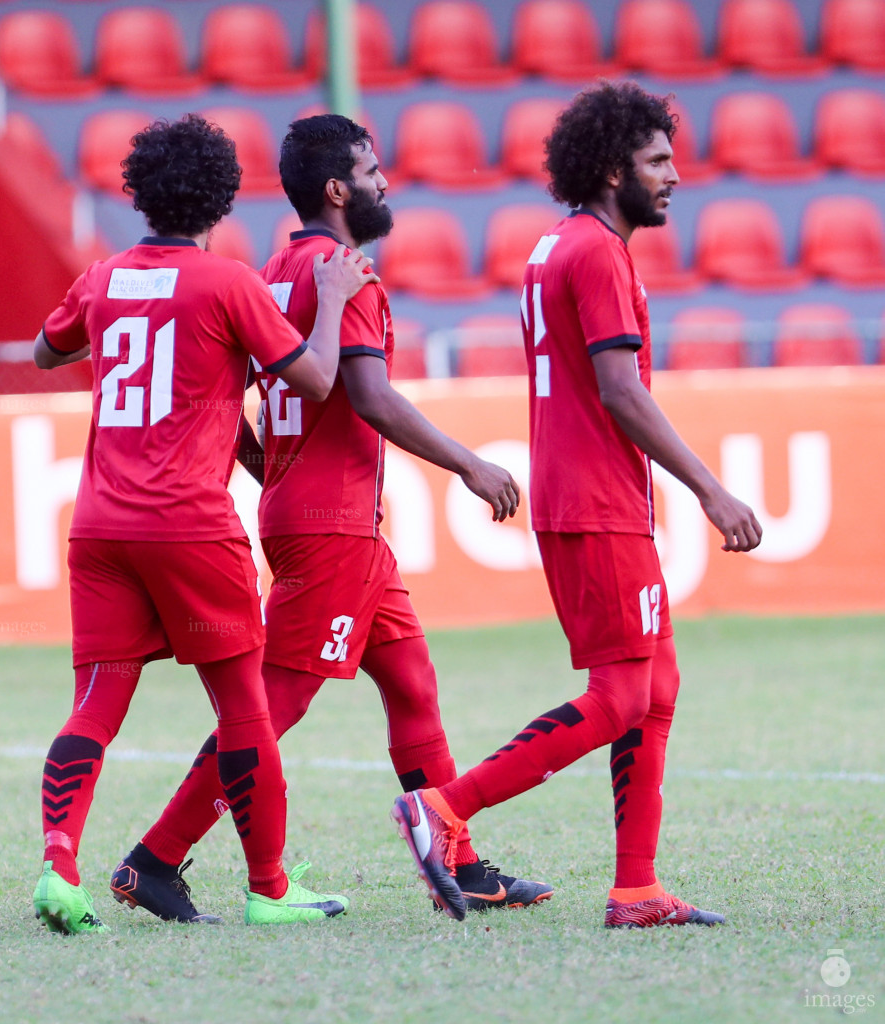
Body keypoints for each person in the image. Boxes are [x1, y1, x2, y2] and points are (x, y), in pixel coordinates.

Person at [111, 114, 553, 924]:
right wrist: (469, 463)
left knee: (413, 685)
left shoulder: (271, 270)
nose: (385, 181)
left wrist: (266, 471)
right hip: (330, 523)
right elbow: (368, 395)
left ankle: (460, 858)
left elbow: (230, 395)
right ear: (337, 188)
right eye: (372, 168)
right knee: (269, 709)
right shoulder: (341, 271)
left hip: (324, 516)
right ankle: (155, 857)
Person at [391, 82, 762, 927]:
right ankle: (443, 808)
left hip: (588, 494)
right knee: (620, 697)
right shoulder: (596, 253)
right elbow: (620, 392)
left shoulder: (555, 245)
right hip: (595, 499)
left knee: (654, 685)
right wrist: (709, 490)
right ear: (608, 169)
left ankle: (635, 888)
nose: (674, 175)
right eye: (656, 161)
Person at [29, 114, 373, 933]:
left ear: (140, 193)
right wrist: (328, 299)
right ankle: (268, 890)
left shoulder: (103, 277)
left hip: (101, 526)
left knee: (94, 707)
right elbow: (320, 380)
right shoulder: (227, 284)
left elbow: (46, 353)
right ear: (222, 197)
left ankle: (59, 868)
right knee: (245, 712)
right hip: (188, 525)